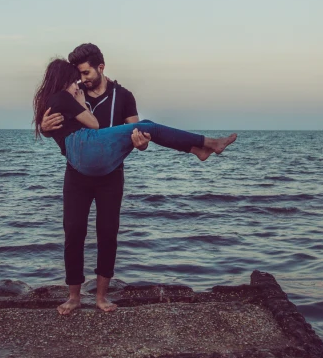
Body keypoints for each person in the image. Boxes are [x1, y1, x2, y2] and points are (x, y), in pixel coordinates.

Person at [36, 45, 236, 315]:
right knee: (73, 232)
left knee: (108, 233)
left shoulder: (123, 96)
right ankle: (73, 297)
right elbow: (57, 127)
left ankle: (101, 297)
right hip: (77, 173)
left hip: (111, 173)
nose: (81, 80)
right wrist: (45, 129)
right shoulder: (73, 94)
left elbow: (137, 131)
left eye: (85, 73)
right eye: (77, 75)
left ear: (101, 67)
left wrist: (141, 145)